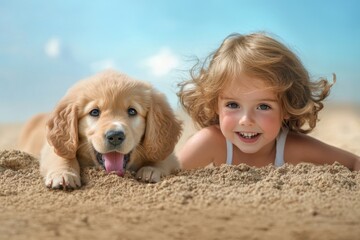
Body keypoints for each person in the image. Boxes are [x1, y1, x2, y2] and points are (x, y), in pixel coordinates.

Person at [177, 32, 360, 171]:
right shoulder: (209, 143)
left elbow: (354, 162)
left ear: (287, 107)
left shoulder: (292, 147)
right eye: (233, 105)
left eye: (263, 106)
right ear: (215, 104)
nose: (246, 120)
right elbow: (167, 175)